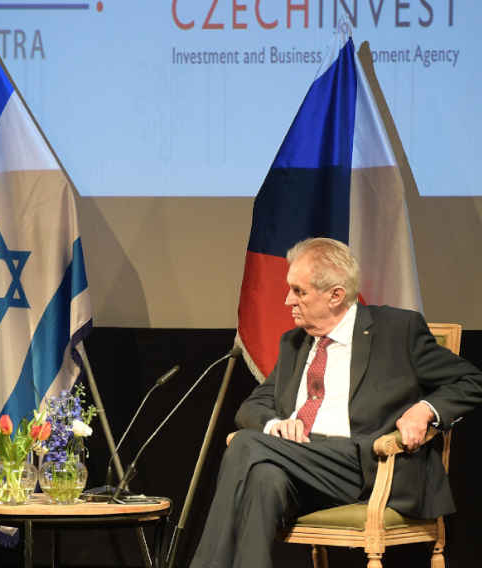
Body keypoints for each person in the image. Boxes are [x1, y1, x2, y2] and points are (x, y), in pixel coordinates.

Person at [191, 237, 482, 568]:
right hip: (301, 463)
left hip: (366, 464)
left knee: (244, 445)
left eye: (299, 291)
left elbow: (470, 380)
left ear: (335, 295)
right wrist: (276, 424)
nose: (288, 300)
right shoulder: (294, 343)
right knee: (263, 479)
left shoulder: (396, 330)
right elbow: (253, 406)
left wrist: (425, 410)